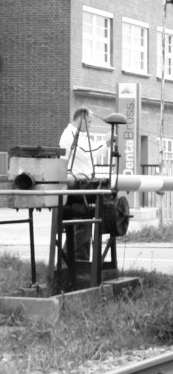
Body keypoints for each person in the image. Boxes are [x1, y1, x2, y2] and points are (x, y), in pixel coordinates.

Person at [58, 108, 106, 274]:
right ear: (82, 118)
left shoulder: (81, 136)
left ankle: (74, 264)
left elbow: (89, 152)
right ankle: (74, 266)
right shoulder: (69, 135)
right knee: (81, 225)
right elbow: (86, 154)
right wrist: (105, 142)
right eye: (90, 122)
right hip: (74, 187)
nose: (91, 126)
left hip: (81, 186)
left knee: (83, 226)